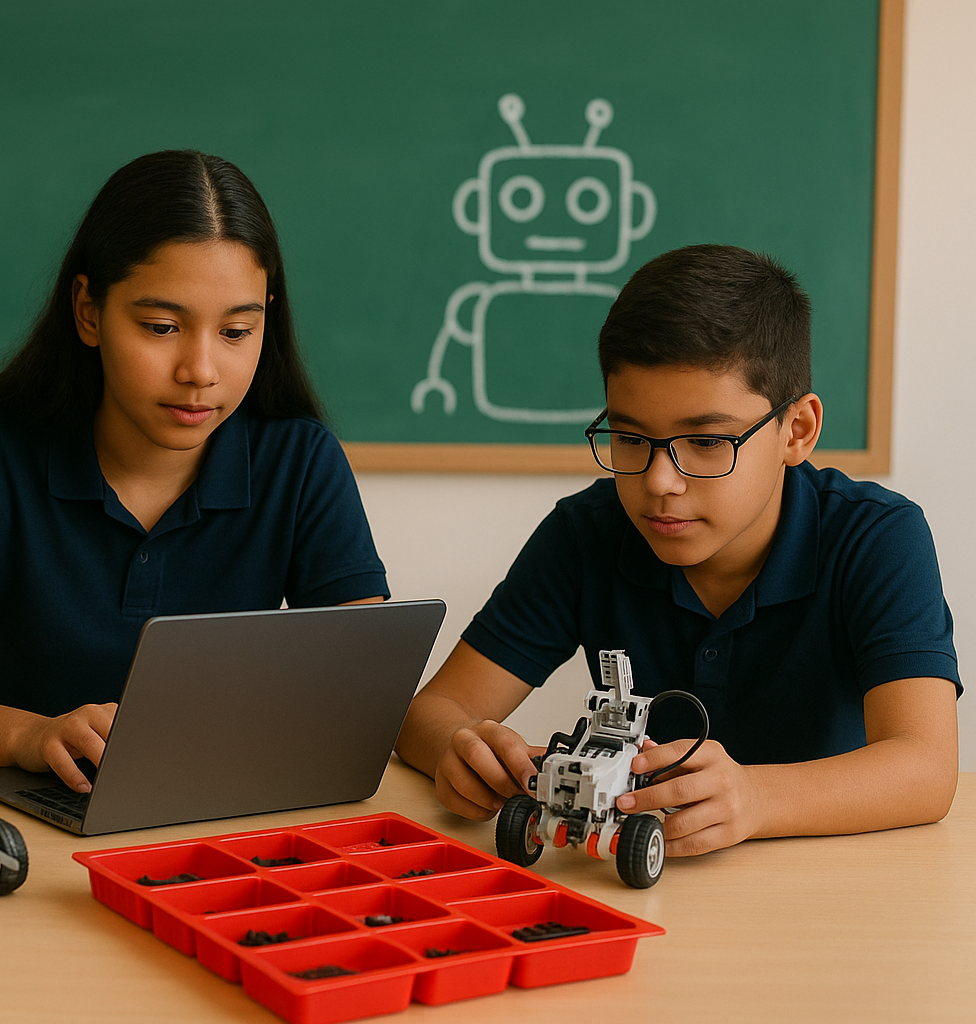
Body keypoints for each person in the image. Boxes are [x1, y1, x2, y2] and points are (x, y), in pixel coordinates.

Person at [395, 244, 960, 857]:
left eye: (708, 442)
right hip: (636, 882)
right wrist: (465, 747)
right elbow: (430, 712)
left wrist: (755, 797)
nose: (660, 482)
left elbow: (926, 768)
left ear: (796, 430)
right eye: (631, 437)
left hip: (830, 889)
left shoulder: (877, 537)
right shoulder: (586, 533)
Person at [0, 149, 388, 792]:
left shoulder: (301, 462)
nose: (200, 370)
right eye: (161, 326)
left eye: (235, 332)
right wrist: (29, 737)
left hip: (214, 807)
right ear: (89, 310)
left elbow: (366, 693)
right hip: (9, 814)